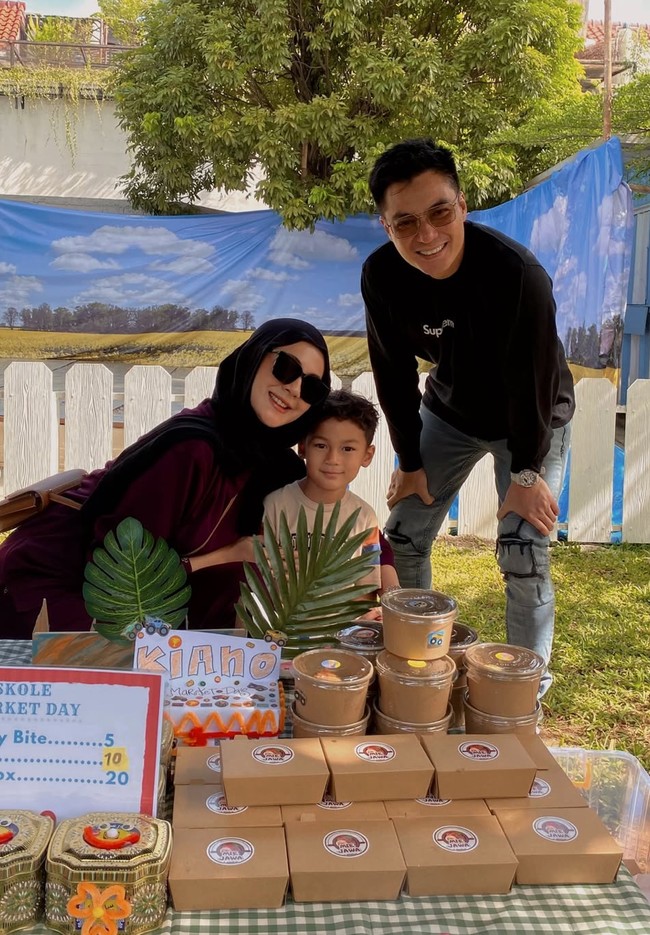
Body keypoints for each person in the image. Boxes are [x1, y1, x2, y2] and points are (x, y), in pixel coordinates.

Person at [361, 138, 575, 690]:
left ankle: (522, 691)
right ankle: (416, 667)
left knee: (523, 548)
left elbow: (534, 382)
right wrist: (409, 461)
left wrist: (526, 474)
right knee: (404, 534)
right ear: (386, 226)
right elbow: (392, 372)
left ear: (462, 206)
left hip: (531, 416)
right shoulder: (381, 275)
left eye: (439, 213)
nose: (426, 235)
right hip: (451, 412)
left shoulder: (516, 272)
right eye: (405, 222)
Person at [0, 319, 332, 638]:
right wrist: (230, 554)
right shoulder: (192, 449)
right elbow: (122, 572)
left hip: (142, 606)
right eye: (286, 367)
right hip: (57, 589)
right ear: (254, 358)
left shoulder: (271, 464)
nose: (294, 388)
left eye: (312, 387)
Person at [263, 390, 399, 599]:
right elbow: (259, 577)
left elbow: (366, 589)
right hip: (284, 619)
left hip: (344, 621)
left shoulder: (364, 518)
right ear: (302, 447)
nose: (333, 459)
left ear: (367, 455)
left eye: (347, 449)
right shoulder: (275, 505)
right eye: (321, 445)